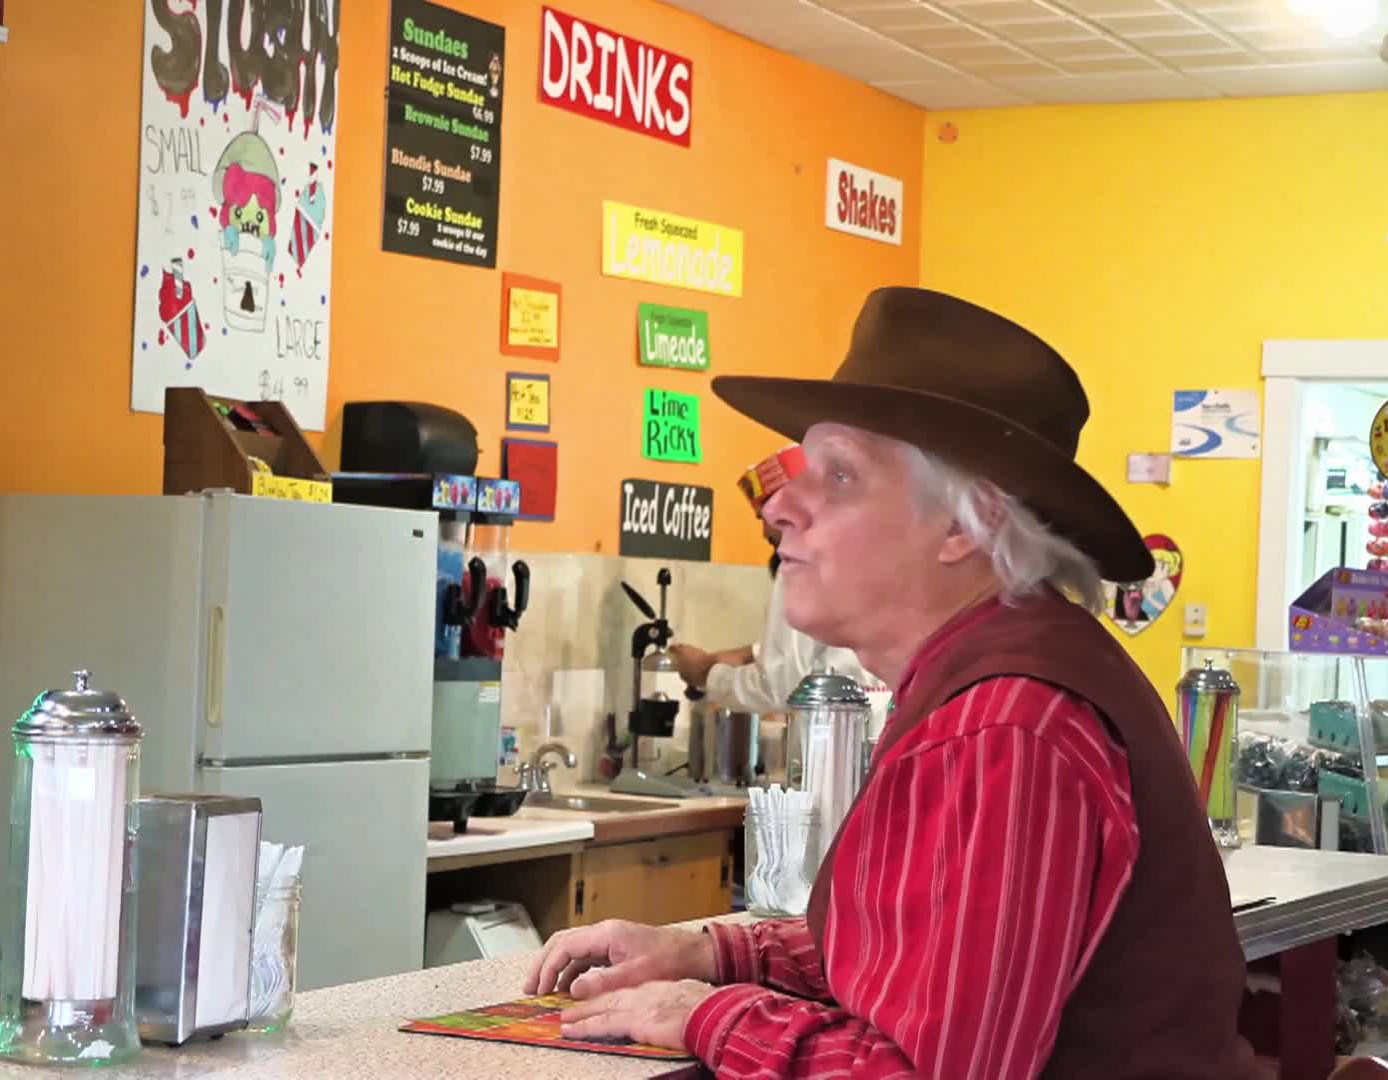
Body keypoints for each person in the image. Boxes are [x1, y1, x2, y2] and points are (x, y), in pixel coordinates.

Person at [523, 287, 1254, 1079]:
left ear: (964, 524)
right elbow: (915, 944)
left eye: (839, 476)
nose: (779, 508)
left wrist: (705, 1014)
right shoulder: (983, 683)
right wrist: (704, 951)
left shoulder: (1003, 723)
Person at [668, 449, 868, 711]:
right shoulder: (863, 555)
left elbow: (779, 687)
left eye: (769, 515)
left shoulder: (800, 566)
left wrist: (706, 674)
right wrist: (750, 653)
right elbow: (827, 650)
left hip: (829, 736)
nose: (765, 530)